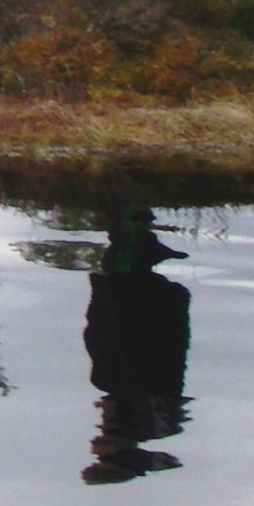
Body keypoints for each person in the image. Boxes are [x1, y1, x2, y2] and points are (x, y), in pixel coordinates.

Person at [83, 205, 191, 482]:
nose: (95, 446)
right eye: (103, 456)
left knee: (119, 270)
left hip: (137, 310)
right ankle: (131, 210)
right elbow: (124, 348)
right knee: (120, 268)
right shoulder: (136, 408)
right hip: (135, 309)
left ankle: (133, 220)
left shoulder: (123, 398)